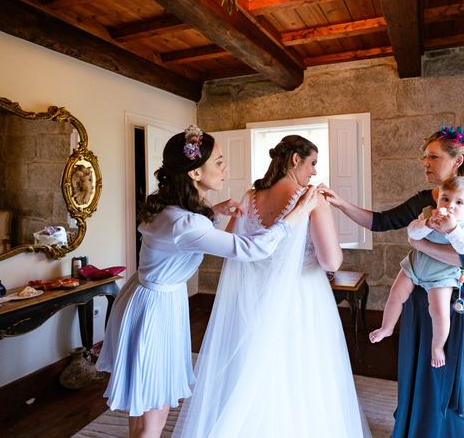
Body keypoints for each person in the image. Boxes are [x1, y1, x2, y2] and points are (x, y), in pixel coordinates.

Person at [95, 125, 318, 438]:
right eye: (219, 162)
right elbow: (250, 249)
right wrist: (297, 214)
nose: (225, 168)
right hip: (155, 312)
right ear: (195, 173)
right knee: (154, 412)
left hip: (145, 298)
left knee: (145, 402)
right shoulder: (186, 222)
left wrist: (214, 212)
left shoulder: (168, 210)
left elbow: (181, 233)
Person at [320, 125, 464, 437]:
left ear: (457, 161)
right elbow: (381, 221)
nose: (424, 162)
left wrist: (422, 246)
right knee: (429, 369)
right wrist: (340, 203)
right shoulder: (424, 200)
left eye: (432, 156)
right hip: (424, 294)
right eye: (424, 156)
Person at [174, 135, 371, 438]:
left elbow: (234, 245)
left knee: (255, 366)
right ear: (295, 159)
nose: (314, 172)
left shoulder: (251, 196)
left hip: (255, 298)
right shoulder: (310, 199)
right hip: (302, 297)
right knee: (301, 370)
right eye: (312, 163)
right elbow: (331, 262)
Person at [369, 176, 464, 369]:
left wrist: (452, 229)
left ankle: (437, 347)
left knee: (439, 311)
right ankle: (387, 327)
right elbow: (412, 233)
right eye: (445, 199)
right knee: (396, 294)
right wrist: (427, 224)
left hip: (442, 275)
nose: (450, 206)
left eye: (459, 202)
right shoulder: (429, 214)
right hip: (415, 265)